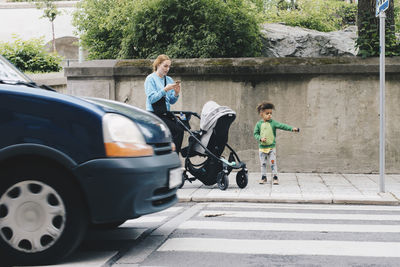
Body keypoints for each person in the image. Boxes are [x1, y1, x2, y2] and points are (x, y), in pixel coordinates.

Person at [145, 54, 184, 153]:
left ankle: (172, 155)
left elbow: (171, 101)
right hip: (154, 114)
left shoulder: (169, 80)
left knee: (181, 128)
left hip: (165, 113)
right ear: (158, 65)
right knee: (177, 131)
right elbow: (152, 99)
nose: (167, 69)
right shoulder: (150, 79)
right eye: (165, 66)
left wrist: (176, 93)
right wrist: (165, 90)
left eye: (169, 66)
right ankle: (173, 157)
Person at [253, 102, 299, 185]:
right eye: (267, 113)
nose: (270, 115)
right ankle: (263, 177)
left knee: (273, 163)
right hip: (262, 148)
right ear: (261, 114)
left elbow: (282, 126)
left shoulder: (273, 123)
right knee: (263, 164)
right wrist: (260, 138)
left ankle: (275, 177)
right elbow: (255, 134)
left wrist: (292, 128)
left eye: (271, 113)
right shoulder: (258, 124)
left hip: (271, 148)